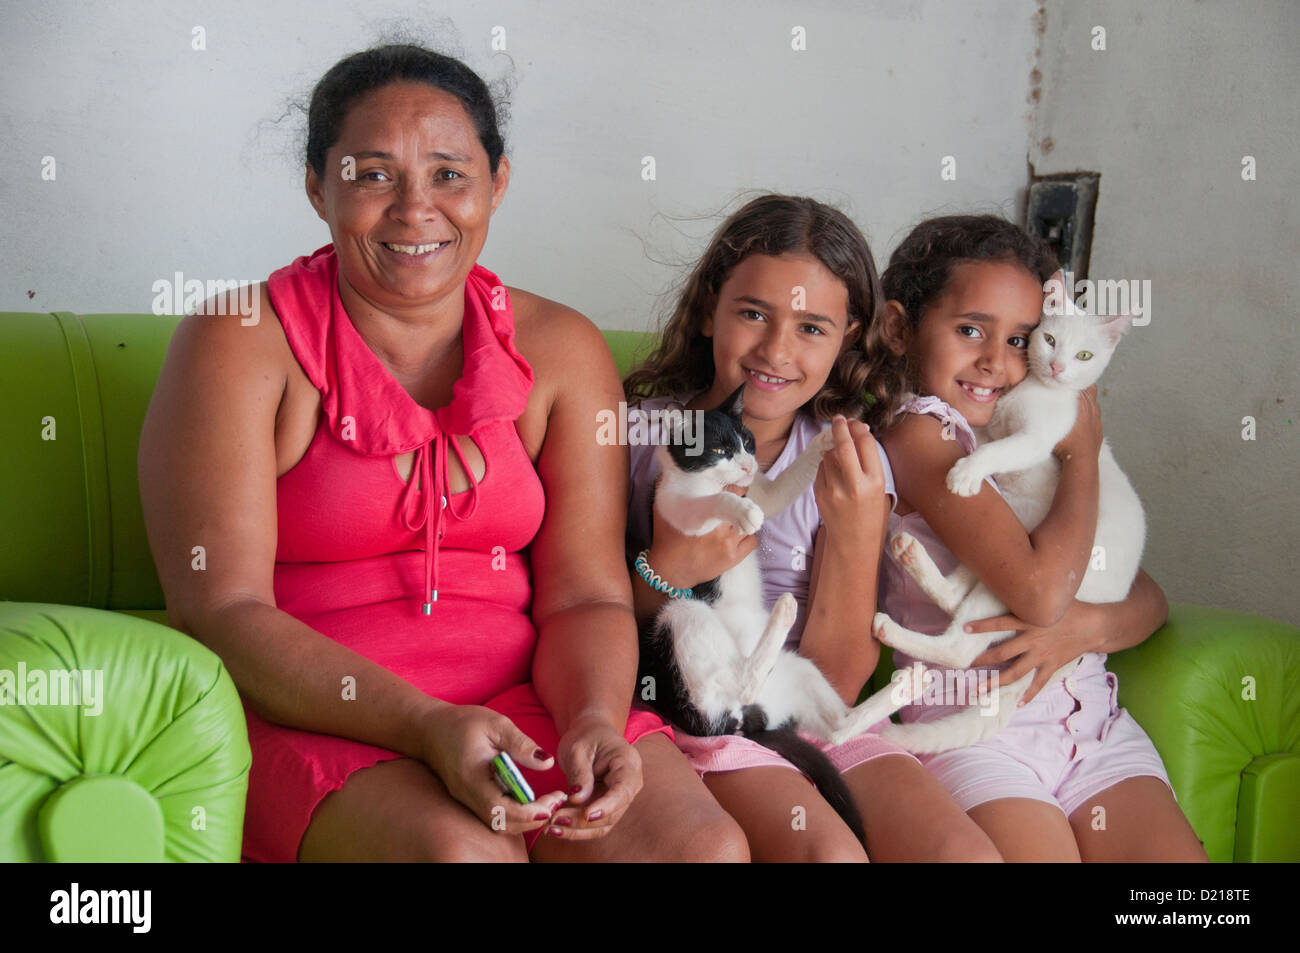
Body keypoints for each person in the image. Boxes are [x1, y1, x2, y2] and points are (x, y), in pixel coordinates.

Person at [138, 43, 748, 862]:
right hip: (317, 715)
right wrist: (423, 723)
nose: (414, 210)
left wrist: (594, 720)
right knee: (462, 857)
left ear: (497, 182)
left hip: (525, 705)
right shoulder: (238, 344)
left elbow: (585, 598)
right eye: (372, 174)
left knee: (700, 850)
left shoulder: (560, 348)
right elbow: (221, 611)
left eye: (450, 175)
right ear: (318, 185)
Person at [621, 195, 1003, 861]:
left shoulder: (848, 457)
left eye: (812, 328)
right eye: (752, 313)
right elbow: (589, 611)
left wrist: (856, 529)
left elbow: (842, 674)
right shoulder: (641, 436)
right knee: (830, 855)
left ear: (851, 336)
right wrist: (670, 566)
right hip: (681, 698)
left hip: (800, 700)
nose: (776, 349)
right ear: (712, 305)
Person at [873, 214, 1208, 861]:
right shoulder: (923, 434)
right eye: (971, 329)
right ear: (898, 328)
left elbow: (1146, 595)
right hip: (974, 732)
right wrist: (1081, 452)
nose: (996, 361)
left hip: (1091, 725)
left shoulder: (1009, 433)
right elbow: (1040, 594)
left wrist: (1085, 630)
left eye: (1021, 338)